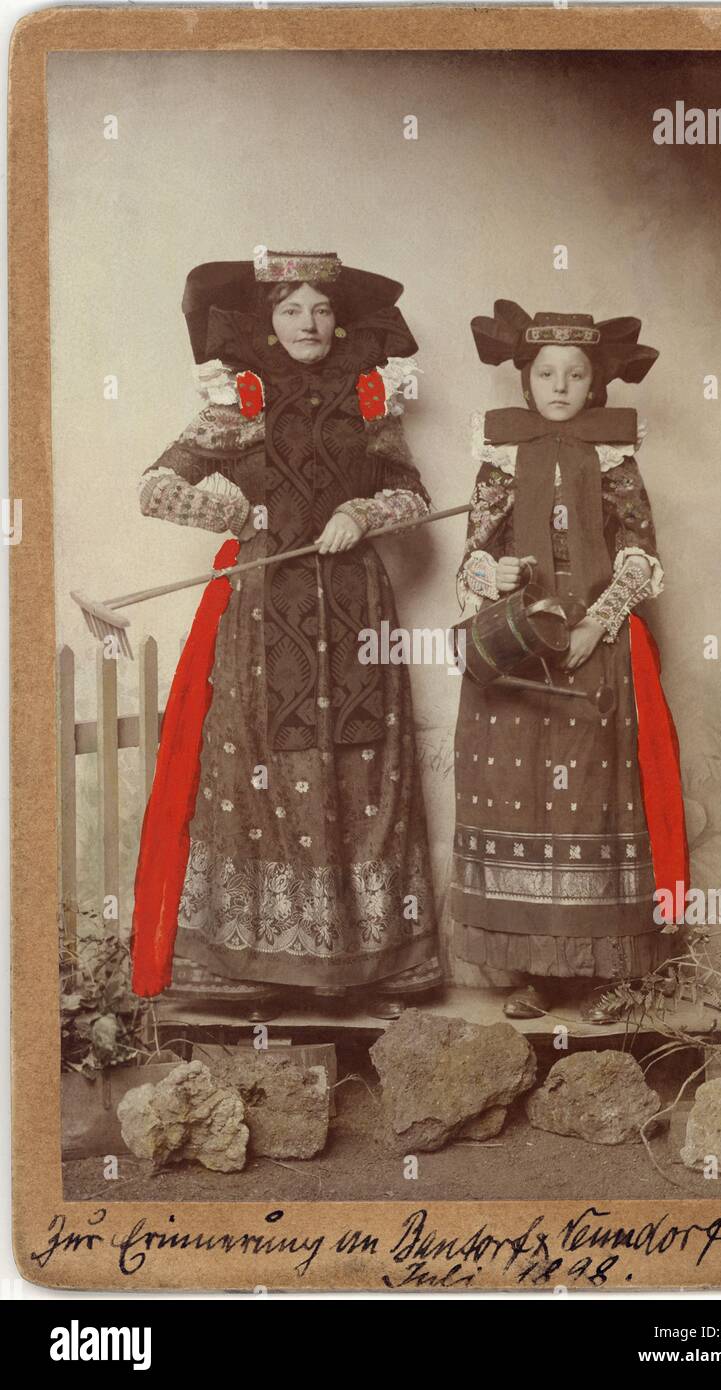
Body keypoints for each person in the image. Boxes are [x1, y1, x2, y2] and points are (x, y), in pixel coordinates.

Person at [132, 249, 442, 1020]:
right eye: (291, 310)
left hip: (354, 603)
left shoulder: (370, 400)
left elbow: (412, 496)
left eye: (322, 310)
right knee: (261, 763)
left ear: (341, 321)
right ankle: (251, 967)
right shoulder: (239, 399)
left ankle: (368, 964)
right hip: (266, 602)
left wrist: (361, 514)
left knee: (358, 763)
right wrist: (239, 514)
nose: (309, 324)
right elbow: (155, 487)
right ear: (266, 321)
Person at [450, 301, 689, 1021]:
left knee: (593, 801)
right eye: (546, 373)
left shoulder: (614, 459)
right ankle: (529, 973)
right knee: (516, 788)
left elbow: (639, 551)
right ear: (526, 381)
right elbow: (472, 554)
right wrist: (499, 580)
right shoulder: (498, 459)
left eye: (574, 374)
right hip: (520, 652)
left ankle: (602, 973)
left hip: (596, 648)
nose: (559, 386)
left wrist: (597, 622)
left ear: (594, 385)